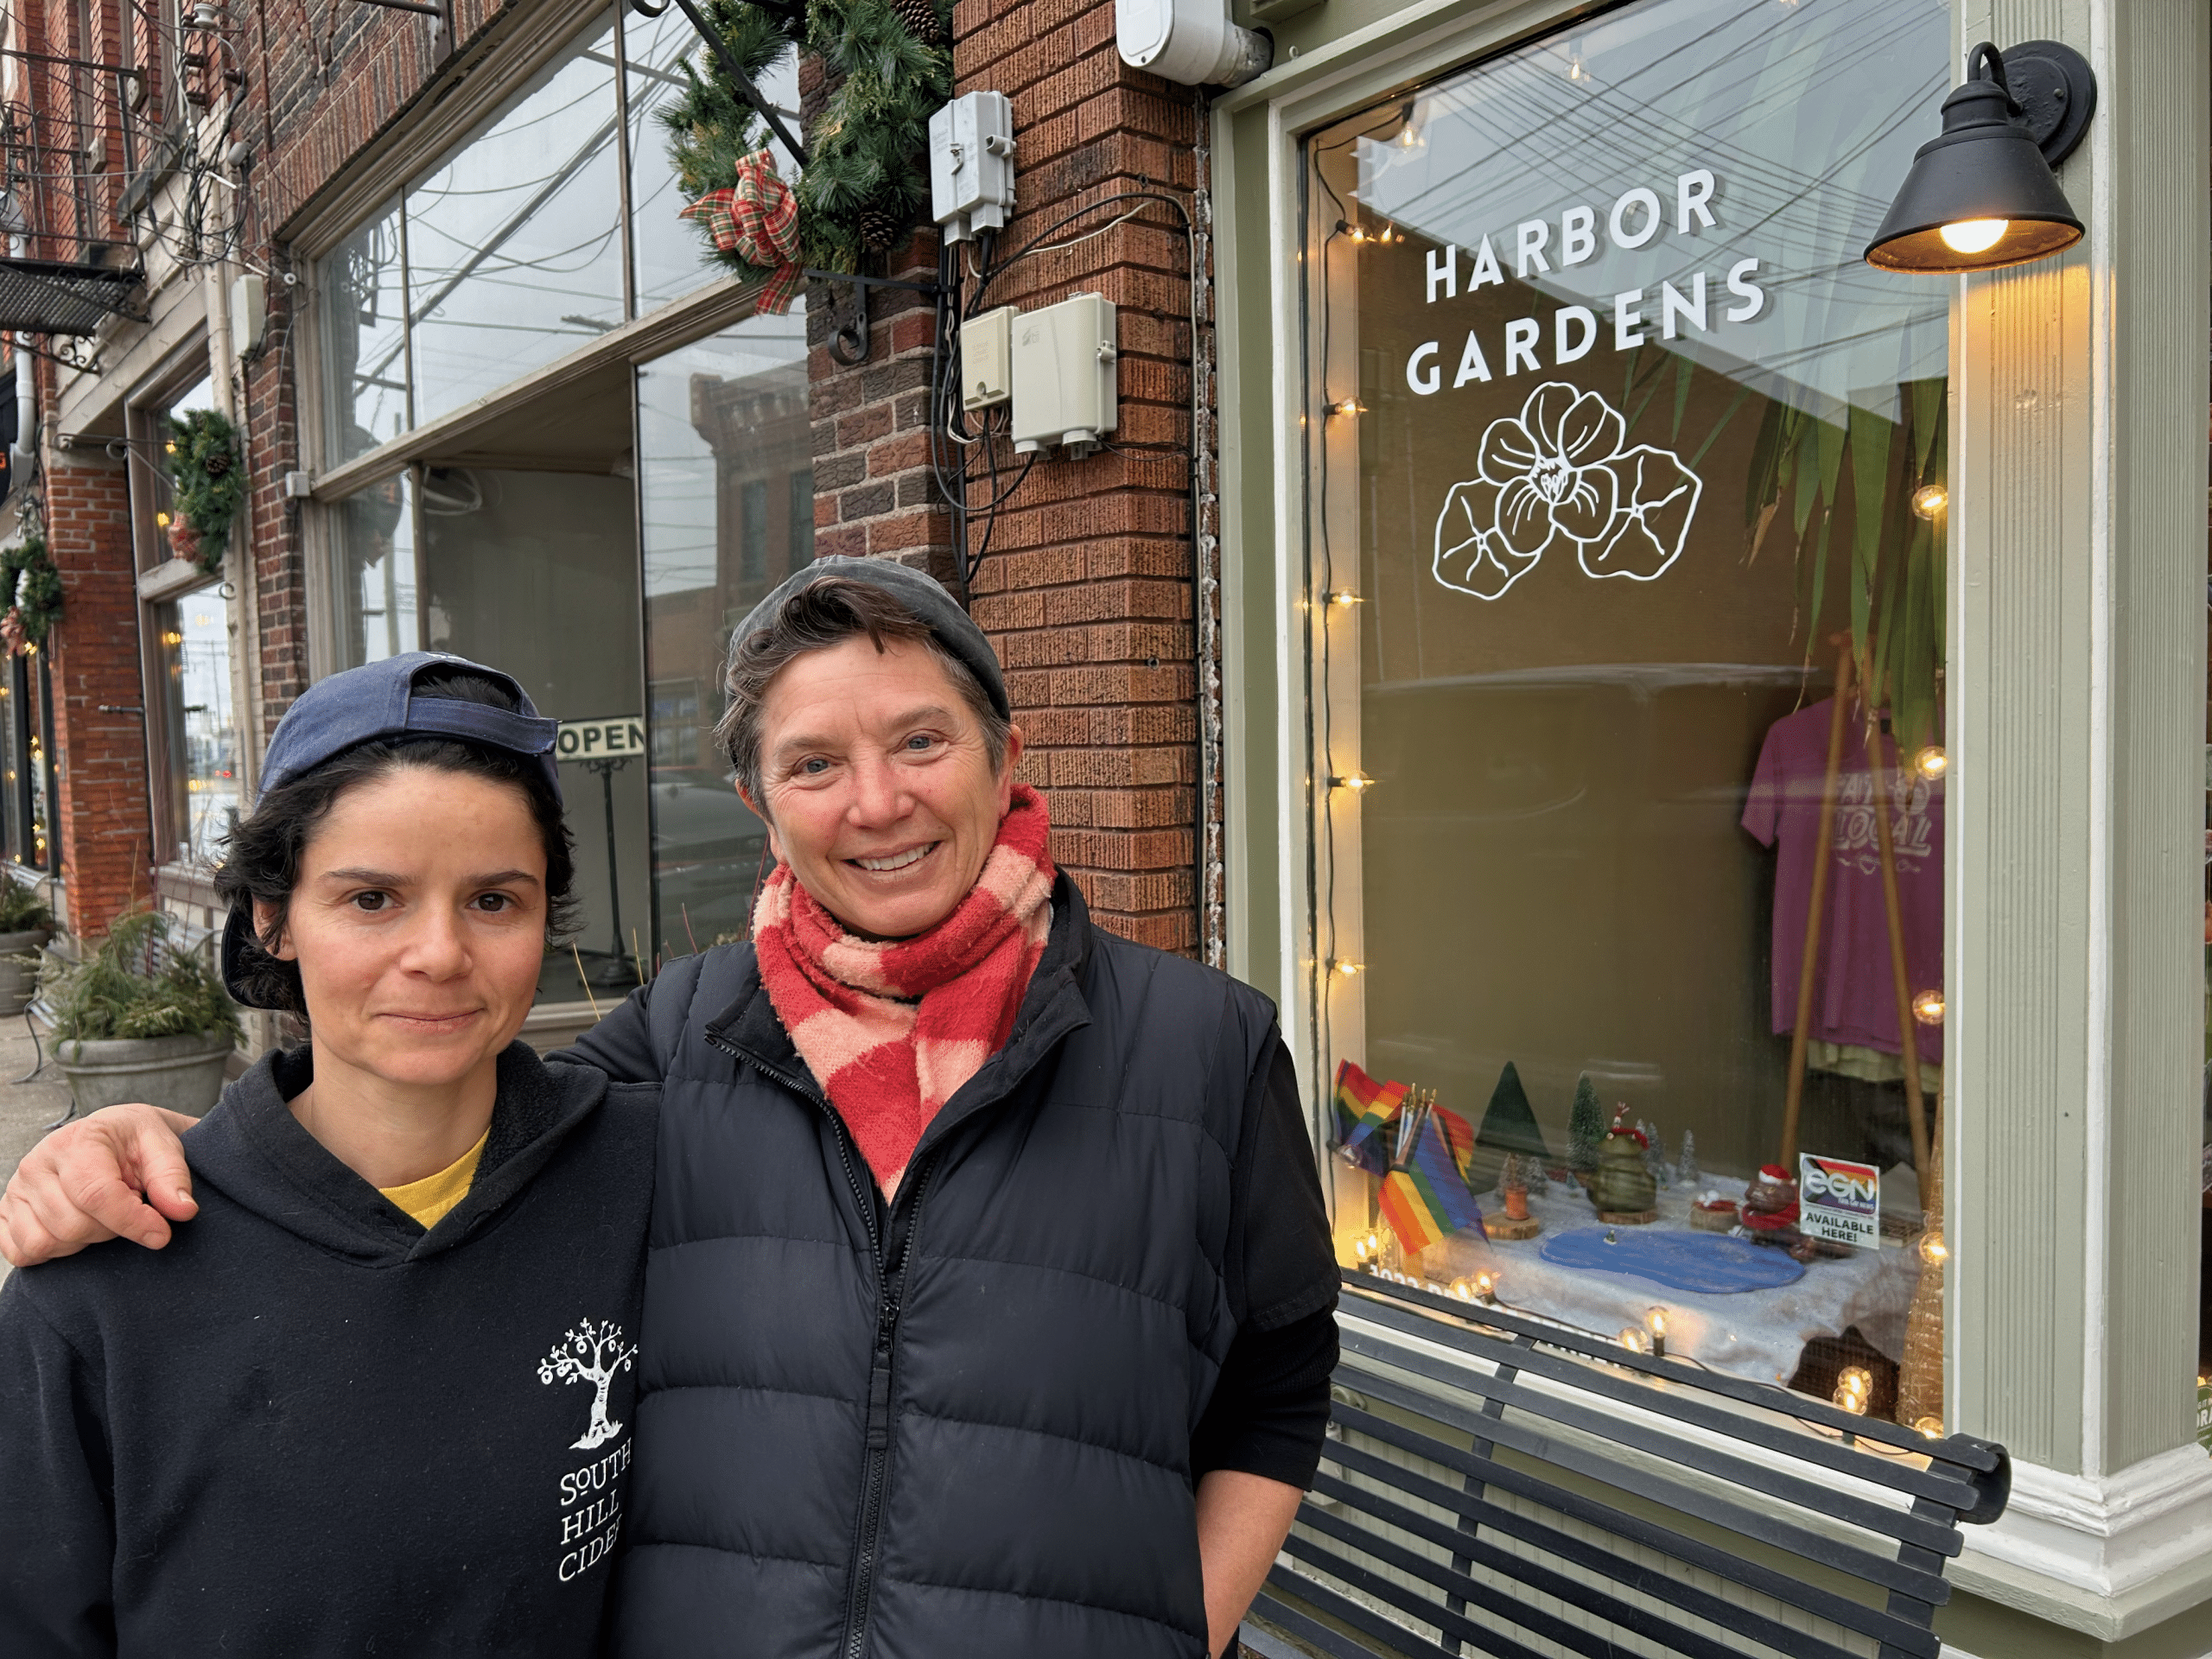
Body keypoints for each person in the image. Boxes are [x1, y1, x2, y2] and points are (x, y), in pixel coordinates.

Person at [3, 558, 1339, 1659]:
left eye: (921, 740)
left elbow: (1277, 1380)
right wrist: (140, 1146)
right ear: (760, 805)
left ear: (1003, 753)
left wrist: (1186, 1627)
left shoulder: (1204, 1045)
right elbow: (403, 1148)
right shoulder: (680, 1048)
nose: (878, 802)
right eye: (814, 763)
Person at [0, 657, 658, 1656]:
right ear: (274, 918)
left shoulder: (648, 1175)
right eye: (371, 899)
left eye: (493, 901)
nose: (439, 952)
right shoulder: (103, 1283)